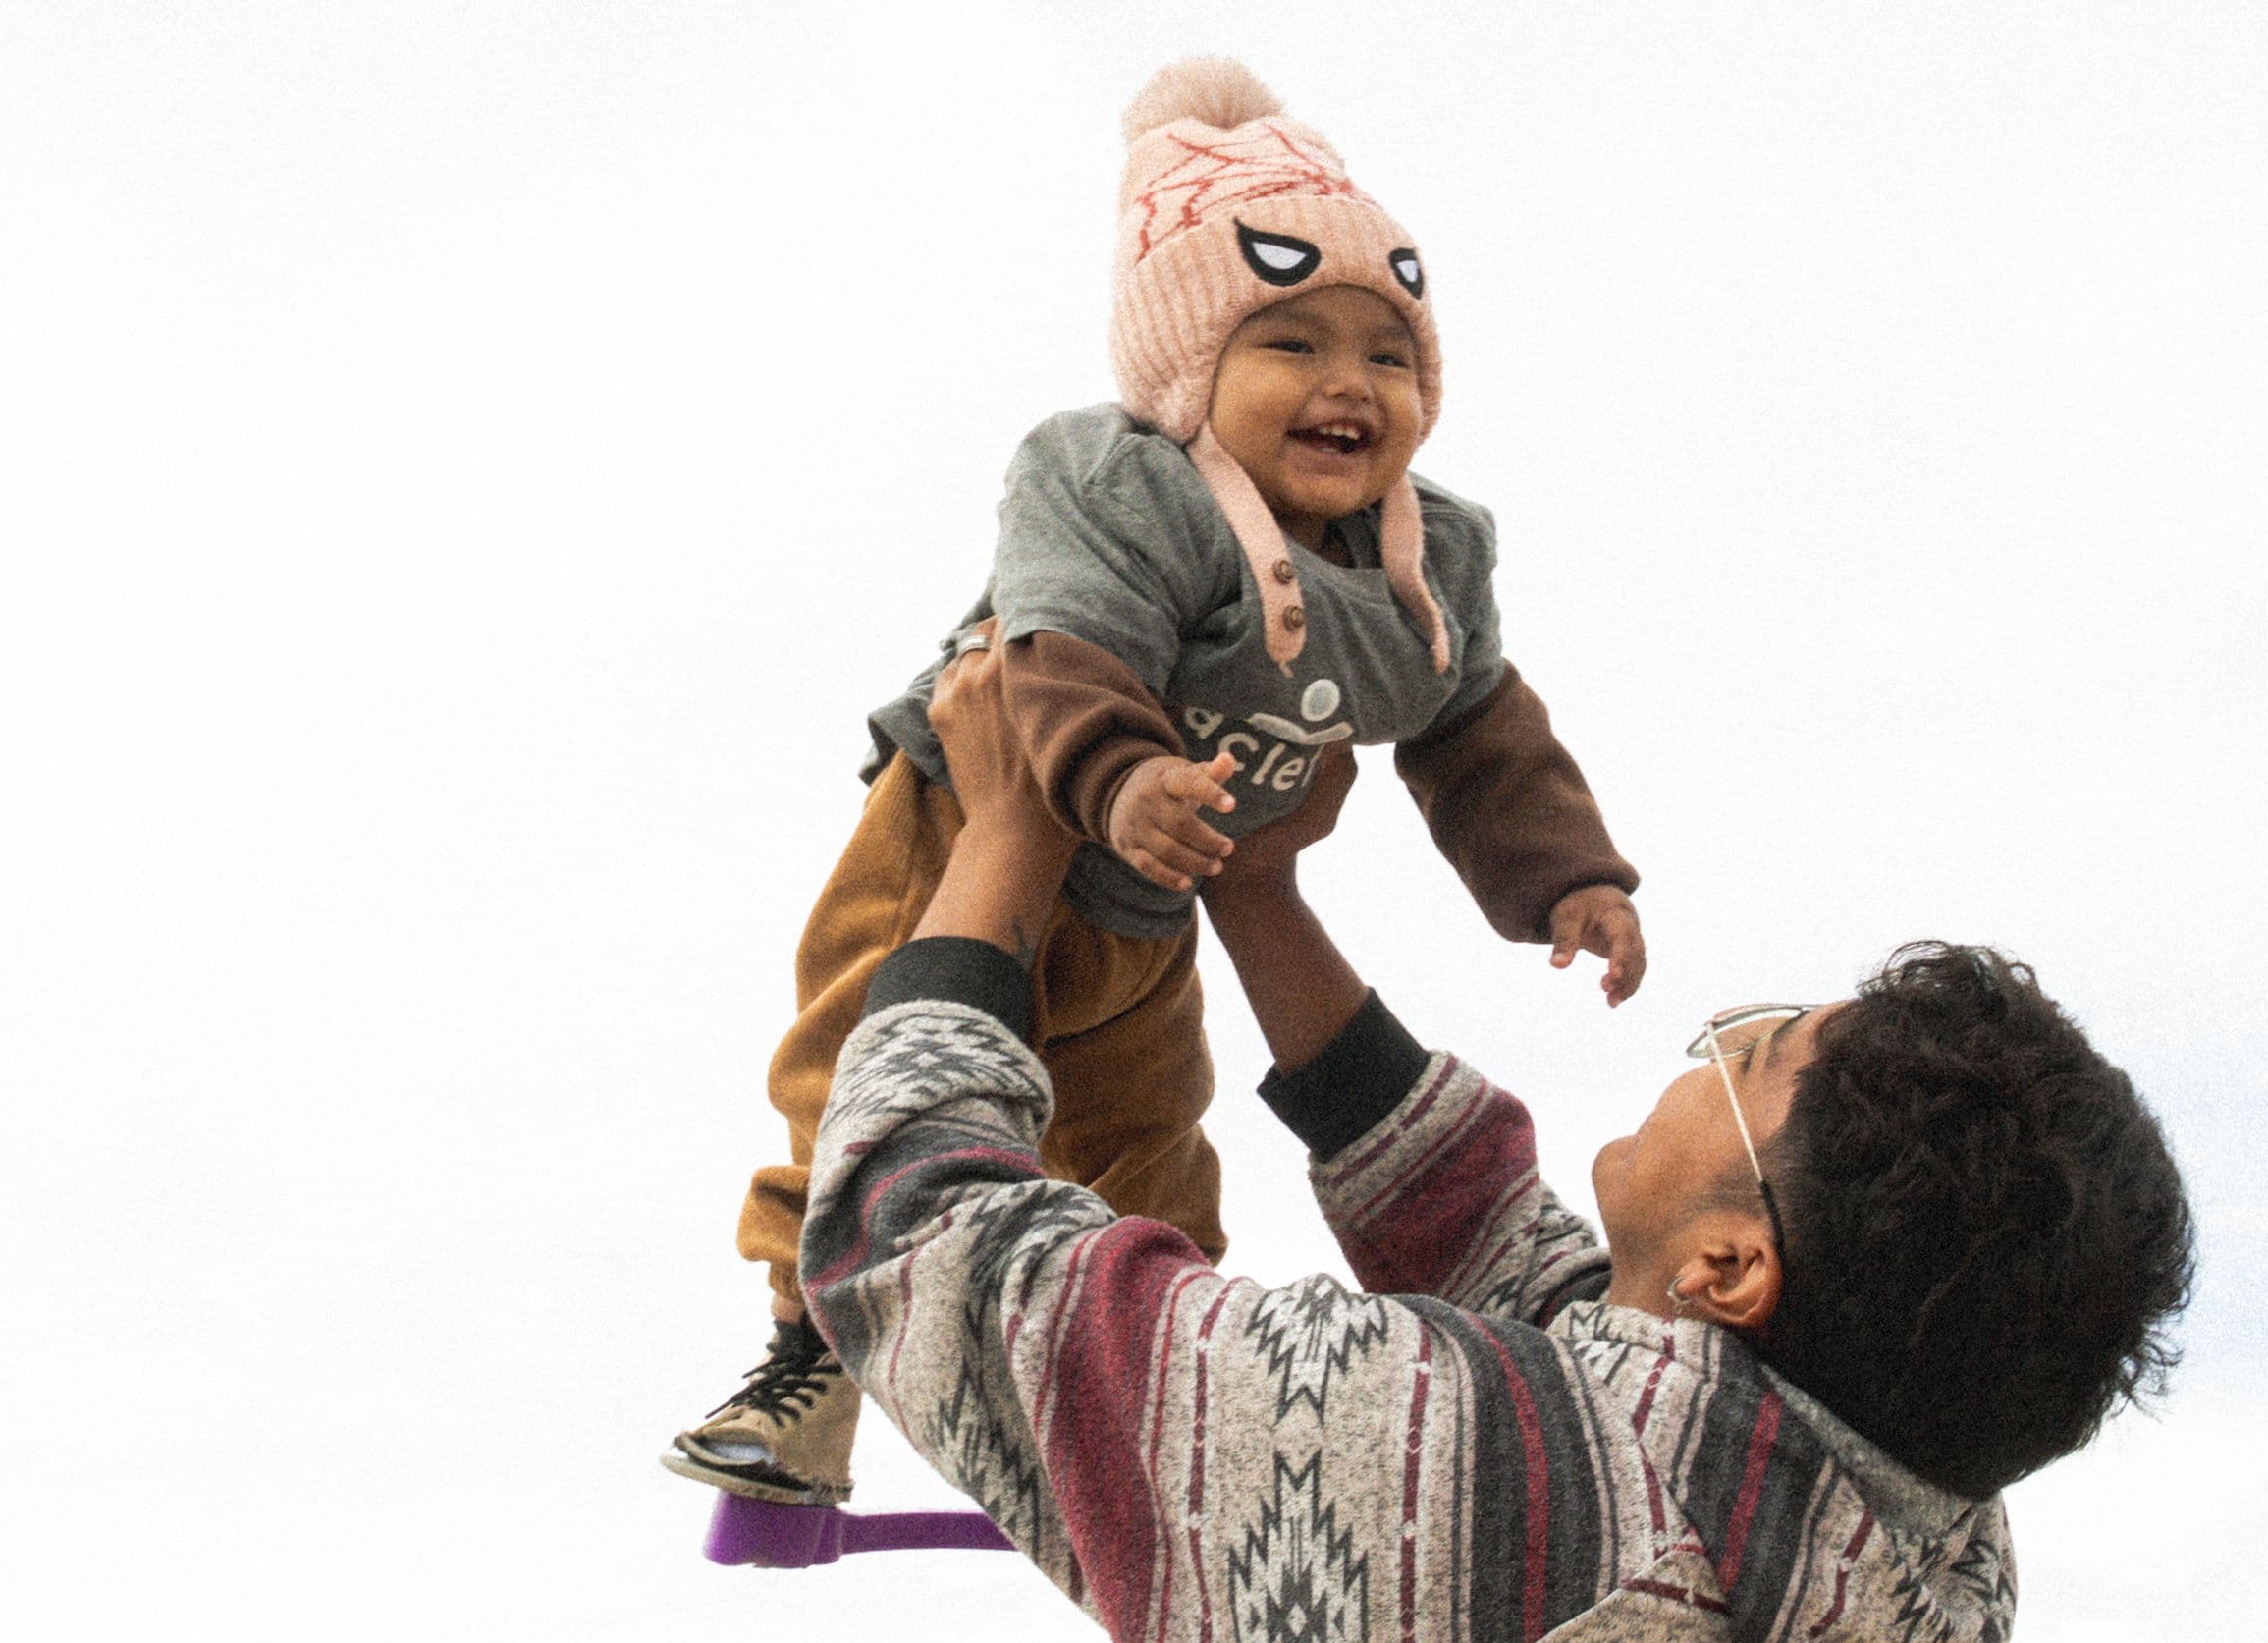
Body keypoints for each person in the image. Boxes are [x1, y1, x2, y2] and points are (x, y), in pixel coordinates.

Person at [792, 651, 2197, 1643]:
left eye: (1753, 1052)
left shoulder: (1471, 1514)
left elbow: (917, 1235)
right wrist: (1256, 890)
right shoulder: (1935, 1576)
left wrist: (1007, 834)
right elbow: (1542, 1292)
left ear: (1732, 1264)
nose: (1715, 1037)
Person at [667, 57, 1644, 1508]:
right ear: (1188, 370)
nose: (1347, 385)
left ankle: (1143, 1410)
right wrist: (1117, 775)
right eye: (1291, 343)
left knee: (1144, 1140)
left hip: (1153, 897)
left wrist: (1567, 872)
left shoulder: (1427, 563)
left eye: (1387, 353)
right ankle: (807, 1363)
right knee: (857, 1081)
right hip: (965, 828)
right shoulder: (1120, 483)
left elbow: (1478, 725)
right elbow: (1059, 645)